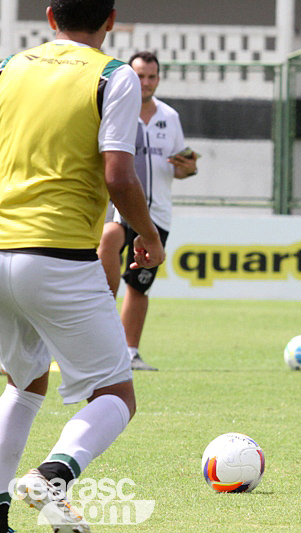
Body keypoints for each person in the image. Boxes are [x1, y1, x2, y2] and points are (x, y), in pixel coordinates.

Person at [0, 1, 165, 531]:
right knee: (116, 394)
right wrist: (147, 232)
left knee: (24, 383)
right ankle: (53, 475)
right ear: (111, 19)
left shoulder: (10, 66)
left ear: (50, 16)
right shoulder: (113, 76)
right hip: (56, 253)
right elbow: (118, 175)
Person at [97, 51, 198, 372]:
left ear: (158, 79)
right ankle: (99, 333)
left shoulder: (170, 116)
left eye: (151, 76)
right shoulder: (115, 111)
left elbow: (180, 166)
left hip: (158, 214)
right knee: (108, 243)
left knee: (140, 285)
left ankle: (129, 353)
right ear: (129, 76)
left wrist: (189, 167)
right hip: (119, 205)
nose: (145, 82)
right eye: (140, 76)